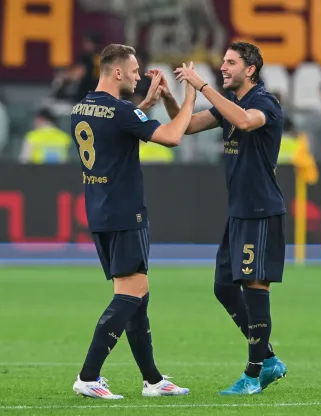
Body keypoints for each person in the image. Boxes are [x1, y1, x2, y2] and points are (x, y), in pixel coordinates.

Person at [70, 44, 197, 400]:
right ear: (117, 72)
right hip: (126, 212)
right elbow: (172, 138)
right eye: (136, 70)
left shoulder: (81, 107)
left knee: (137, 294)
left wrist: (144, 108)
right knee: (131, 294)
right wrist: (189, 97)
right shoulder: (121, 111)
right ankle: (88, 375)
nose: (140, 76)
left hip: (99, 212)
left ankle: (153, 380)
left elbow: (116, 131)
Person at [168, 41, 287, 395]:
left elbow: (246, 122)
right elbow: (187, 127)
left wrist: (203, 85)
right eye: (222, 62)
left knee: (254, 287)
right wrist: (171, 96)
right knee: (223, 287)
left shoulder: (264, 102)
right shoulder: (231, 104)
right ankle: (268, 359)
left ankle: (253, 375)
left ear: (250, 69)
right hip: (238, 212)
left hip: (261, 211)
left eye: (231, 62)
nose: (223, 67)